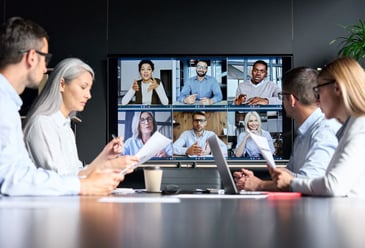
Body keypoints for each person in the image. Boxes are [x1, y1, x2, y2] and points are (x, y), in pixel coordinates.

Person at [0, 16, 138, 196]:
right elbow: (13, 179)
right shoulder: (20, 114)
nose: (44, 69)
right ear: (32, 57)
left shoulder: (10, 105)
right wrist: (85, 185)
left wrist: (104, 163)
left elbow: (27, 174)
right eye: (45, 58)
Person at [23, 58, 137, 177]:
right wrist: (107, 164)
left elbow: (77, 174)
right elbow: (61, 180)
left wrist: (106, 158)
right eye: (83, 87)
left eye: (89, 89)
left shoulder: (65, 127)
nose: (89, 95)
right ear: (62, 84)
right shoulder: (42, 123)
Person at [234, 67, 341, 191]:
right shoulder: (304, 133)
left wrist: (258, 185)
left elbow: (310, 182)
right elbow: (292, 177)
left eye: (282, 96)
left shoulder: (324, 130)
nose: (282, 102)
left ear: (291, 99)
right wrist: (254, 180)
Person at [270, 57, 365, 197]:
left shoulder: (360, 128)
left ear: (337, 89)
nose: (317, 98)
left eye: (319, 89)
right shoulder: (351, 127)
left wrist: (290, 182)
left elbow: (333, 185)